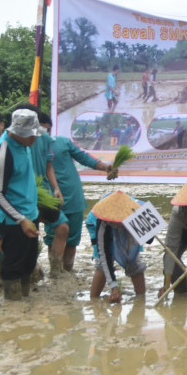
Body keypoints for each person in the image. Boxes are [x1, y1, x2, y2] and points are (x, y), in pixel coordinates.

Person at [40, 115, 116, 274]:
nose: (43, 132)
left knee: (72, 238)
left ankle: (67, 272)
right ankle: (55, 273)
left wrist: (105, 167)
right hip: (48, 198)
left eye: (46, 128)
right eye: (40, 128)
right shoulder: (30, 147)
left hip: (73, 196)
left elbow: (84, 158)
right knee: (53, 235)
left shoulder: (62, 142)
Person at [0, 109, 41, 301]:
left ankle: (25, 303)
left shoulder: (25, 144)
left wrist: (31, 216)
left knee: (28, 264)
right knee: (12, 267)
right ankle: (13, 307)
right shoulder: (4, 152)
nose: (33, 139)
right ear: (17, 133)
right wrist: (21, 219)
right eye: (29, 135)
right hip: (14, 221)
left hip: (30, 214)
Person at [86, 191, 147, 303]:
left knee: (134, 262)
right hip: (99, 221)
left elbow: (149, 240)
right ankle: (93, 301)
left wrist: (145, 231)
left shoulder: (137, 212)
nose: (119, 225)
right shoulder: (102, 221)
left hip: (131, 219)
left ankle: (141, 300)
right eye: (118, 222)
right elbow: (104, 254)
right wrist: (113, 287)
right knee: (101, 263)